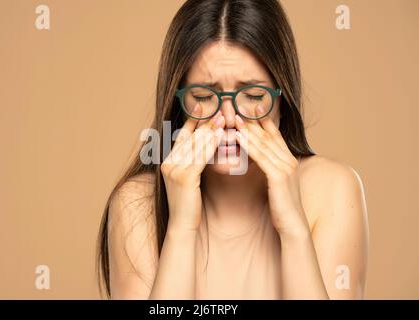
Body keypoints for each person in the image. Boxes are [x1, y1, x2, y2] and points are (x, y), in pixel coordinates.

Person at [97, 0, 369, 300]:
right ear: (179, 104)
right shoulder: (137, 204)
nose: (228, 118)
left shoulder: (332, 190)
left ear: (283, 100)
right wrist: (182, 228)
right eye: (204, 95)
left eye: (253, 95)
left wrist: (294, 228)